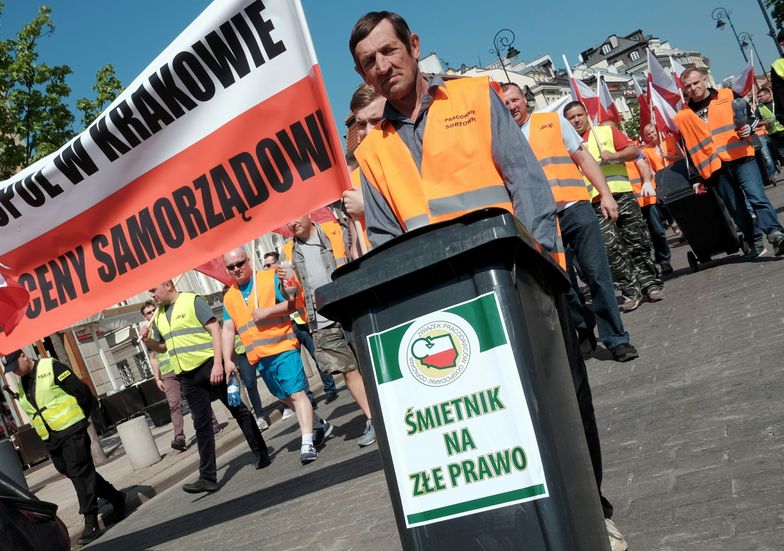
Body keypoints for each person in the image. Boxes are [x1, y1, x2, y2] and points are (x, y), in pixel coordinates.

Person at [349, 11, 625, 550]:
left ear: (413, 45)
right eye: (367, 63)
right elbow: (386, 244)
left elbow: (529, 188)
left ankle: (593, 510)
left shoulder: (474, 99)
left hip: (521, 284)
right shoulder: (371, 150)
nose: (382, 67)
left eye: (389, 51)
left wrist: (546, 272)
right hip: (449, 309)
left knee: (565, 404)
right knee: (495, 425)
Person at [501, 83, 638, 363]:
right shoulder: (502, 139)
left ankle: (616, 339)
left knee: (598, 276)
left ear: (524, 100)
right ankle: (584, 328)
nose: (511, 106)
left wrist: (606, 194)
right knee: (565, 286)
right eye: (504, 104)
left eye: (514, 100)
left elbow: (583, 157)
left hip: (576, 209)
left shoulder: (552, 122)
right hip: (540, 221)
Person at [141, 280, 270, 493]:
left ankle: (261, 452)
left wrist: (219, 363)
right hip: (187, 376)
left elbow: (215, 330)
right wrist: (148, 341)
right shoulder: (160, 315)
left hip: (209, 365)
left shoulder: (192, 301)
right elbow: (162, 348)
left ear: (168, 285)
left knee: (237, 409)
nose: (152, 294)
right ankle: (208, 477)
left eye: (154, 289)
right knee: (201, 425)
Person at [3, 350, 126, 545]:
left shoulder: (51, 366)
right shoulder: (22, 383)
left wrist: (80, 419)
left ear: (24, 356)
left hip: (71, 429)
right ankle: (115, 497)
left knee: (79, 471)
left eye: (15, 366)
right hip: (52, 437)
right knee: (72, 471)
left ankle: (91, 520)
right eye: (11, 370)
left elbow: (82, 392)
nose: (15, 371)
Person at [222, 247, 331, 464]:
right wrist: (227, 360)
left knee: (298, 394)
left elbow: (291, 304)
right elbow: (227, 328)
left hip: (283, 346)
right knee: (284, 396)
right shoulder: (230, 296)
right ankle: (320, 424)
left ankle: (307, 442)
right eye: (231, 267)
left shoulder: (269, 278)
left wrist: (267, 311)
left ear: (249, 260)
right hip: (260, 357)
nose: (236, 269)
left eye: (240, 263)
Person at [283, 214, 376, 447]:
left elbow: (357, 255)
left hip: (351, 306)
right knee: (348, 370)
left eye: (295, 215)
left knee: (371, 361)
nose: (292, 222)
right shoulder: (288, 251)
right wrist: (288, 288)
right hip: (322, 319)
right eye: (287, 219)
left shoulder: (334, 231)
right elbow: (292, 297)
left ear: (307, 213)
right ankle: (373, 419)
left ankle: (389, 408)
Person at [564, 102, 663, 311]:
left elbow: (634, 151)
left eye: (579, 115)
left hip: (622, 195)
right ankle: (630, 291)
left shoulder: (605, 132)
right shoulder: (565, 144)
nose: (576, 120)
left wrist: (614, 156)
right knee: (611, 249)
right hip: (595, 203)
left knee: (637, 241)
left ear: (586, 115)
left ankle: (650, 284)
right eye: (571, 117)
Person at [674, 67, 784, 257]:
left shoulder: (728, 95)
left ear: (705, 80)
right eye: (687, 86)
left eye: (695, 83)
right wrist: (695, 178)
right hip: (714, 167)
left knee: (756, 197)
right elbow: (688, 149)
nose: (692, 88)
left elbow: (752, 117)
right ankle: (754, 240)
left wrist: (749, 127)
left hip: (741, 155)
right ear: (683, 89)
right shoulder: (682, 116)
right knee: (736, 208)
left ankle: (776, 234)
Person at [140, 301, 224, 450]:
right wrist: (157, 378)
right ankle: (179, 438)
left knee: (196, 397)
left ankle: (212, 423)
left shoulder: (165, 321)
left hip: (183, 365)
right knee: (174, 405)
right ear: (144, 317)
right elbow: (153, 357)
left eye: (154, 310)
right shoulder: (147, 333)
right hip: (167, 372)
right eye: (148, 312)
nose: (152, 313)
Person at [263, 251, 340, 406]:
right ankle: (308, 397)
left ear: (278, 264)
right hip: (286, 327)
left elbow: (300, 294)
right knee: (296, 365)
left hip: (302, 322)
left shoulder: (289, 275)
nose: (266, 268)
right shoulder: (267, 285)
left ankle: (330, 388)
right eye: (264, 266)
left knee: (316, 355)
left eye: (269, 265)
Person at [756, 86, 784, 168]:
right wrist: (764, 122)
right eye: (758, 97)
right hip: (774, 135)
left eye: (761, 96)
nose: (759, 98)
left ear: (768, 94)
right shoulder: (759, 109)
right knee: (782, 155)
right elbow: (755, 122)